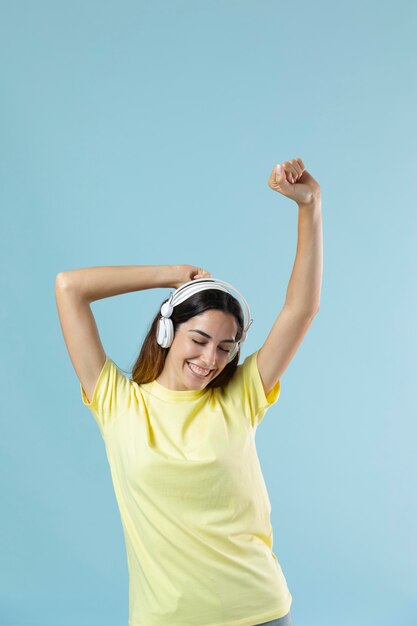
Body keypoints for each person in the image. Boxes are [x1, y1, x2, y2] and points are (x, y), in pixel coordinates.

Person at [55, 157, 323, 626]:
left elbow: (301, 310)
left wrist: (310, 206)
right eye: (198, 340)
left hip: (259, 610)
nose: (210, 359)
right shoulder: (118, 403)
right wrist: (172, 274)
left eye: (225, 347)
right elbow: (69, 287)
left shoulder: (240, 397)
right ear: (166, 332)